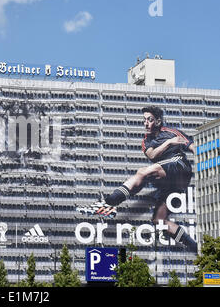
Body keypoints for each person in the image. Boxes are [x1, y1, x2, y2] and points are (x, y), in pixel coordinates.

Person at [78, 106, 197, 251]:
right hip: (170, 183)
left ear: (158, 121)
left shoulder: (171, 132)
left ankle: (110, 202)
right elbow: (153, 155)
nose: (146, 123)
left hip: (180, 167)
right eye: (144, 120)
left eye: (150, 120)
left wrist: (208, 161)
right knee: (159, 221)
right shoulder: (146, 141)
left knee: (143, 172)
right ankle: (194, 246)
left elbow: (192, 147)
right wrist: (168, 143)